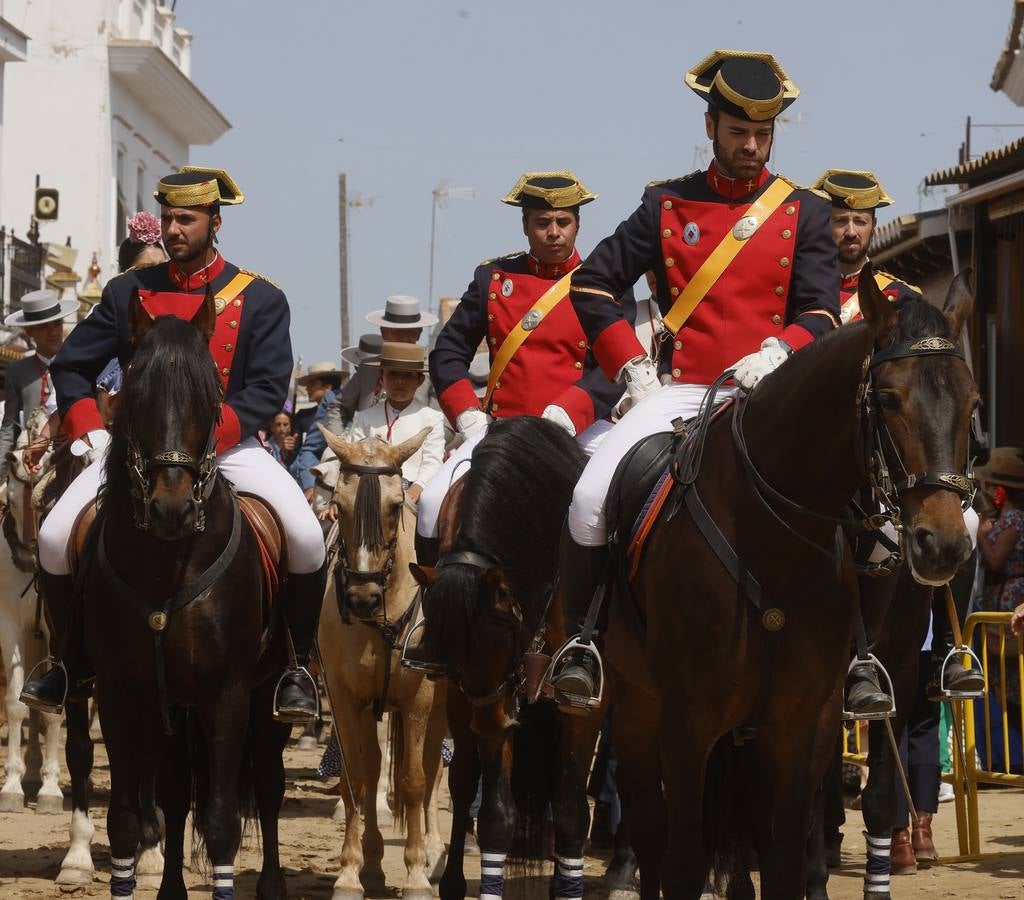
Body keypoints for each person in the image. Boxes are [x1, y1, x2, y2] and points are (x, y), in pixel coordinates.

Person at [553, 50, 841, 707]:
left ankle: (860, 660)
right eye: (739, 132)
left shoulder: (806, 212)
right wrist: (630, 365)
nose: (752, 146)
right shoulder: (665, 204)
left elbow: (823, 309)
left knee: (863, 511)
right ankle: (584, 642)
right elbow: (594, 283)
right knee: (590, 495)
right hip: (680, 391)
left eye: (763, 134)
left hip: (773, 393)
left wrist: (781, 350)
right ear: (711, 127)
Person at [19, 166, 327, 723]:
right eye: (167, 218)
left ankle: (294, 668)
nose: (173, 229)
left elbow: (264, 386)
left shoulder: (258, 297)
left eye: (186, 218)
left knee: (307, 538)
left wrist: (213, 434)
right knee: (52, 535)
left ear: (215, 221)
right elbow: (71, 368)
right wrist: (89, 432)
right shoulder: (128, 291)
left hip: (229, 446)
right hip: (139, 452)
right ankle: (70, 660)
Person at [417, 171, 630, 561]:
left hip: (578, 428)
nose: (553, 232)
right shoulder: (493, 279)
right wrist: (468, 416)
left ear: (577, 225)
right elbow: (447, 353)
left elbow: (615, 363)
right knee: (431, 507)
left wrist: (570, 412)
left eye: (563, 222)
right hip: (501, 428)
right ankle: (436, 613)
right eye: (542, 223)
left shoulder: (605, 282)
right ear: (525, 226)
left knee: (628, 498)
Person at [321, 343, 444, 520]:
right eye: (393, 374)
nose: (399, 381)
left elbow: (433, 462)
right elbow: (350, 462)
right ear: (381, 377)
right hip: (365, 496)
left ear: (420, 380)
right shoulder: (364, 416)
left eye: (408, 376)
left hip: (414, 495)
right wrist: (339, 497)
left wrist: (418, 487)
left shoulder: (432, 418)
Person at [808, 169, 921, 324]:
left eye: (860, 222)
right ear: (825, 223)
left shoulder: (904, 299)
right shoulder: (801, 290)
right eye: (840, 221)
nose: (851, 232)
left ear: (873, 225)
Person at [322, 297, 438, 434]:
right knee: (329, 455)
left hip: (418, 447)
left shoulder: (434, 370)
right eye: (396, 330)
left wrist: (425, 442)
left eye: (410, 331)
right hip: (364, 445)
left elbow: (445, 421)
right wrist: (342, 444)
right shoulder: (368, 368)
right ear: (383, 331)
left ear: (419, 333)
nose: (403, 337)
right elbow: (338, 407)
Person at [0, 290, 79, 478]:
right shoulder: (17, 372)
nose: (53, 332)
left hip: (73, 460)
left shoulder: (79, 365)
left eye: (57, 324)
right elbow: (9, 429)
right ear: (29, 331)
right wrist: (1, 474)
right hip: (29, 466)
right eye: (44, 326)